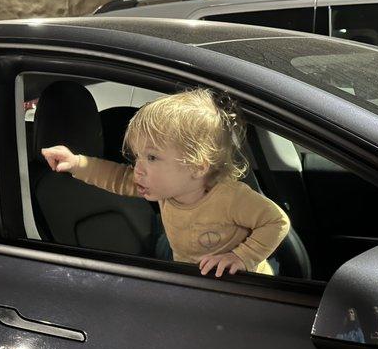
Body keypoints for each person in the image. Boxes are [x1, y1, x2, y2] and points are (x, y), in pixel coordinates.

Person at [41, 89, 290, 277]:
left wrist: (241, 257)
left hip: (243, 281)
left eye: (151, 157)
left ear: (197, 166)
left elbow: (276, 221)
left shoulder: (230, 196)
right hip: (195, 276)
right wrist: (77, 163)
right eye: (137, 156)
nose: (138, 168)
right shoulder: (163, 189)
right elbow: (117, 177)